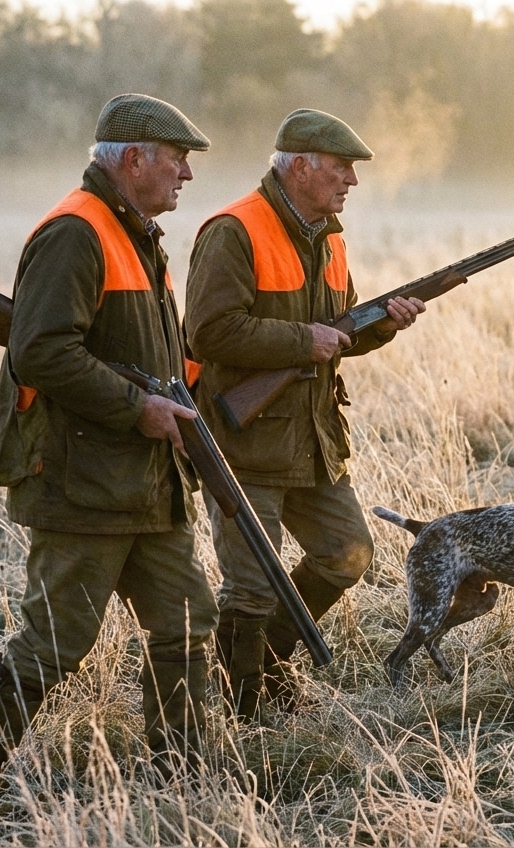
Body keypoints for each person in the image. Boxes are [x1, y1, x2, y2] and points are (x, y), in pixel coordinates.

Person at [0, 93, 219, 792]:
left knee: (188, 619)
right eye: (177, 159)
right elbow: (39, 352)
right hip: (81, 479)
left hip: (146, 480)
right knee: (56, 642)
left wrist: (188, 408)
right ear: (134, 159)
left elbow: (153, 354)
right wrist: (139, 409)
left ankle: (184, 776)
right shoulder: (77, 231)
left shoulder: (136, 234)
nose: (186, 175)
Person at [184, 108, 425, 721]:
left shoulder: (330, 236)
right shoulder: (234, 230)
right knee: (250, 586)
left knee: (349, 553)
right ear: (298, 166)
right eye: (340, 167)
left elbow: (336, 334)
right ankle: (246, 717)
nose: (351, 180)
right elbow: (208, 333)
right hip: (245, 444)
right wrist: (301, 342)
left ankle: (268, 656)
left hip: (314, 440)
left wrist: (385, 325)